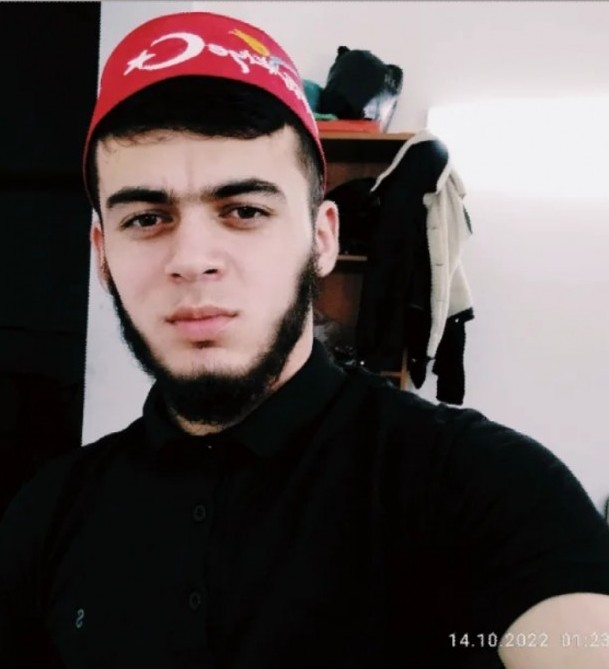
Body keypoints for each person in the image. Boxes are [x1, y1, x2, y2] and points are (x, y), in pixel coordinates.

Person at [1, 10, 609, 669]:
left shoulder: (482, 484)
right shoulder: (48, 513)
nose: (192, 259)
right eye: (147, 218)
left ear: (322, 238)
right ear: (101, 253)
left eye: (245, 210)